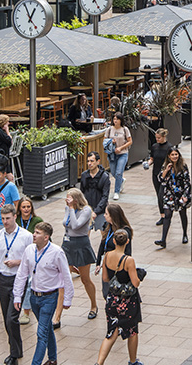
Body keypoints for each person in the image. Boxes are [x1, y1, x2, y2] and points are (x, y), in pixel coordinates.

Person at [12, 222, 74, 365]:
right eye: (35, 232)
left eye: (38, 233)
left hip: (50, 297)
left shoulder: (57, 252)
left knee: (41, 334)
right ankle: (52, 359)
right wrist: (17, 295)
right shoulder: (29, 250)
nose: (34, 235)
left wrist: (67, 299)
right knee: (45, 328)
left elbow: (66, 276)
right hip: (34, 297)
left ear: (46, 237)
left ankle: (36, 363)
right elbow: (22, 274)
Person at [0, 204, 33, 365]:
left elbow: (31, 258)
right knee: (6, 317)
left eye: (8, 218)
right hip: (3, 279)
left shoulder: (26, 236)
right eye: (3, 219)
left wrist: (17, 262)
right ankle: (16, 348)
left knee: (12, 318)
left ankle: (13, 354)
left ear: (14, 217)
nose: (5, 222)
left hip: (19, 280)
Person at [94, 229, 144, 365]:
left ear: (114, 241)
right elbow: (135, 283)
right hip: (128, 301)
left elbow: (105, 278)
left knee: (111, 332)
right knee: (132, 331)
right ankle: (133, 361)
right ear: (127, 242)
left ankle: (99, 362)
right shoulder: (129, 260)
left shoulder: (108, 256)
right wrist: (139, 276)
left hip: (112, 299)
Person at [62, 188, 98, 319]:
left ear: (76, 199)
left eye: (69, 198)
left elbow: (76, 225)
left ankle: (94, 305)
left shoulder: (86, 210)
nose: (67, 201)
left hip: (81, 244)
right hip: (67, 243)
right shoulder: (68, 208)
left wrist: (71, 209)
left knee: (85, 279)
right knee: (62, 274)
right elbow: (67, 223)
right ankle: (58, 312)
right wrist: (70, 209)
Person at [156, 146, 191, 249]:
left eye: (176, 154)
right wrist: (166, 171)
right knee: (167, 215)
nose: (175, 156)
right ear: (169, 156)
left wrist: (185, 195)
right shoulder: (166, 166)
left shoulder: (183, 166)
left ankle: (185, 234)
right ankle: (163, 240)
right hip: (169, 195)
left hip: (180, 194)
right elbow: (161, 180)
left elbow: (187, 182)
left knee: (182, 214)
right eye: (172, 155)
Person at [104, 113, 132, 201]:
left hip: (123, 153)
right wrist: (110, 142)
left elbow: (130, 141)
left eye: (117, 119)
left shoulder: (125, 129)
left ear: (121, 120)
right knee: (113, 172)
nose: (115, 121)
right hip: (112, 154)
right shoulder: (109, 129)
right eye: (114, 119)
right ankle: (121, 180)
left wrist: (121, 148)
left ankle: (116, 191)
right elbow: (104, 141)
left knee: (119, 172)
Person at [80, 152, 110, 232]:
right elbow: (81, 194)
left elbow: (105, 196)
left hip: (101, 211)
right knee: (85, 234)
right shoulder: (84, 175)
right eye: (88, 161)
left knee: (104, 233)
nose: (89, 163)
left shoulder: (104, 177)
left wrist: (96, 211)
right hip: (87, 210)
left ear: (98, 161)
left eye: (92, 161)